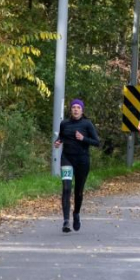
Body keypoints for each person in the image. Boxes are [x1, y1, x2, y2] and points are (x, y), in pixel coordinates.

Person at [54, 99, 100, 233]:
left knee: (78, 191)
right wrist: (58, 142)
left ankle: (76, 213)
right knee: (66, 188)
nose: (75, 109)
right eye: (73, 107)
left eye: (78, 107)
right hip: (67, 158)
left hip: (82, 161)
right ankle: (66, 221)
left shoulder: (87, 124)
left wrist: (83, 139)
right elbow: (62, 137)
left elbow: (97, 142)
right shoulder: (64, 124)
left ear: (82, 110)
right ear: (71, 110)